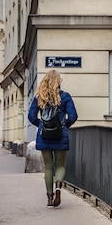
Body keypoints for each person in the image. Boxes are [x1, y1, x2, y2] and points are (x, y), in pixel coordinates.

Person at [28, 69, 78, 208]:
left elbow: (31, 117)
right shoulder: (65, 96)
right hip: (60, 135)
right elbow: (73, 116)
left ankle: (50, 198)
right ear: (58, 82)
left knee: (48, 167)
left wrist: (41, 126)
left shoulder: (39, 97)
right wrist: (63, 126)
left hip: (44, 136)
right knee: (60, 165)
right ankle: (58, 187)